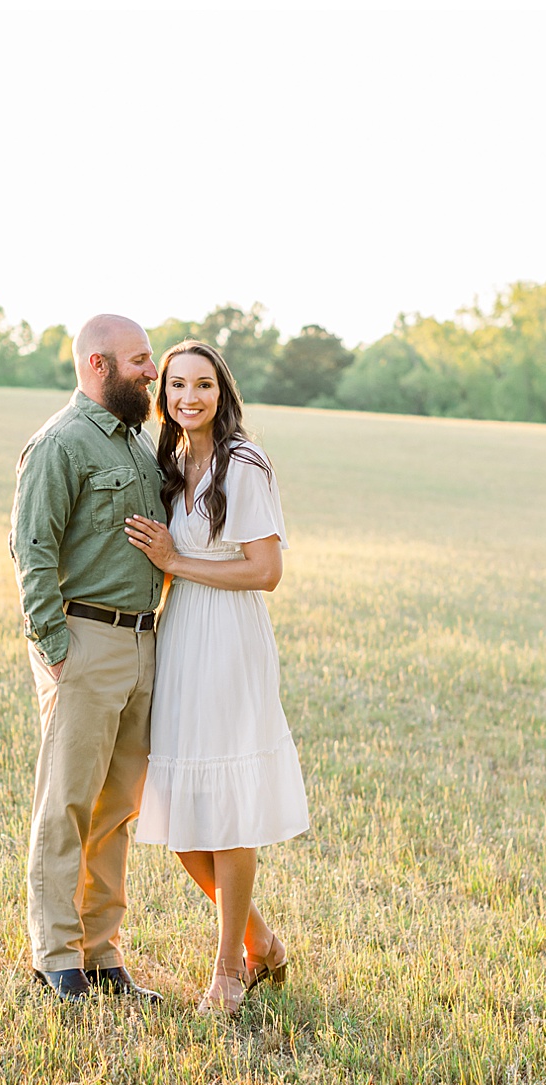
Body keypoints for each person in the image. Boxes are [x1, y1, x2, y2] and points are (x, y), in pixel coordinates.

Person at [123, 340, 308, 1015]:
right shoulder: (170, 462)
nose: (189, 397)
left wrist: (177, 560)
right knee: (171, 808)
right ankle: (263, 938)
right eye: (177, 385)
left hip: (230, 639)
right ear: (164, 394)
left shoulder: (244, 463)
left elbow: (266, 570)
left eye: (203, 384)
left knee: (227, 808)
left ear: (221, 391)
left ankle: (229, 966)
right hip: (181, 638)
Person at [8, 313, 169, 1002]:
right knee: (67, 803)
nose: (151, 371)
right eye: (139, 360)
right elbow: (32, 548)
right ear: (98, 364)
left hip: (142, 642)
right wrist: (55, 648)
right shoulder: (60, 443)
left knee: (116, 811)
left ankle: (103, 954)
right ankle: (55, 956)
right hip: (86, 642)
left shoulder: (137, 445)